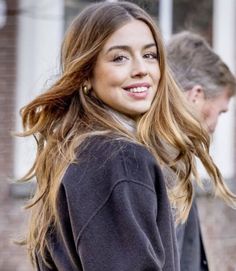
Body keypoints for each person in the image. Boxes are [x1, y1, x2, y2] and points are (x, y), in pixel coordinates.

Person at [18, 2, 236, 271]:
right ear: (85, 74)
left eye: (150, 55)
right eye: (120, 57)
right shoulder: (120, 158)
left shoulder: (76, 152)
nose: (141, 69)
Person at [166, 31, 236, 271]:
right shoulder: (164, 162)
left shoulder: (169, 155)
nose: (216, 125)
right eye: (221, 112)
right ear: (196, 96)